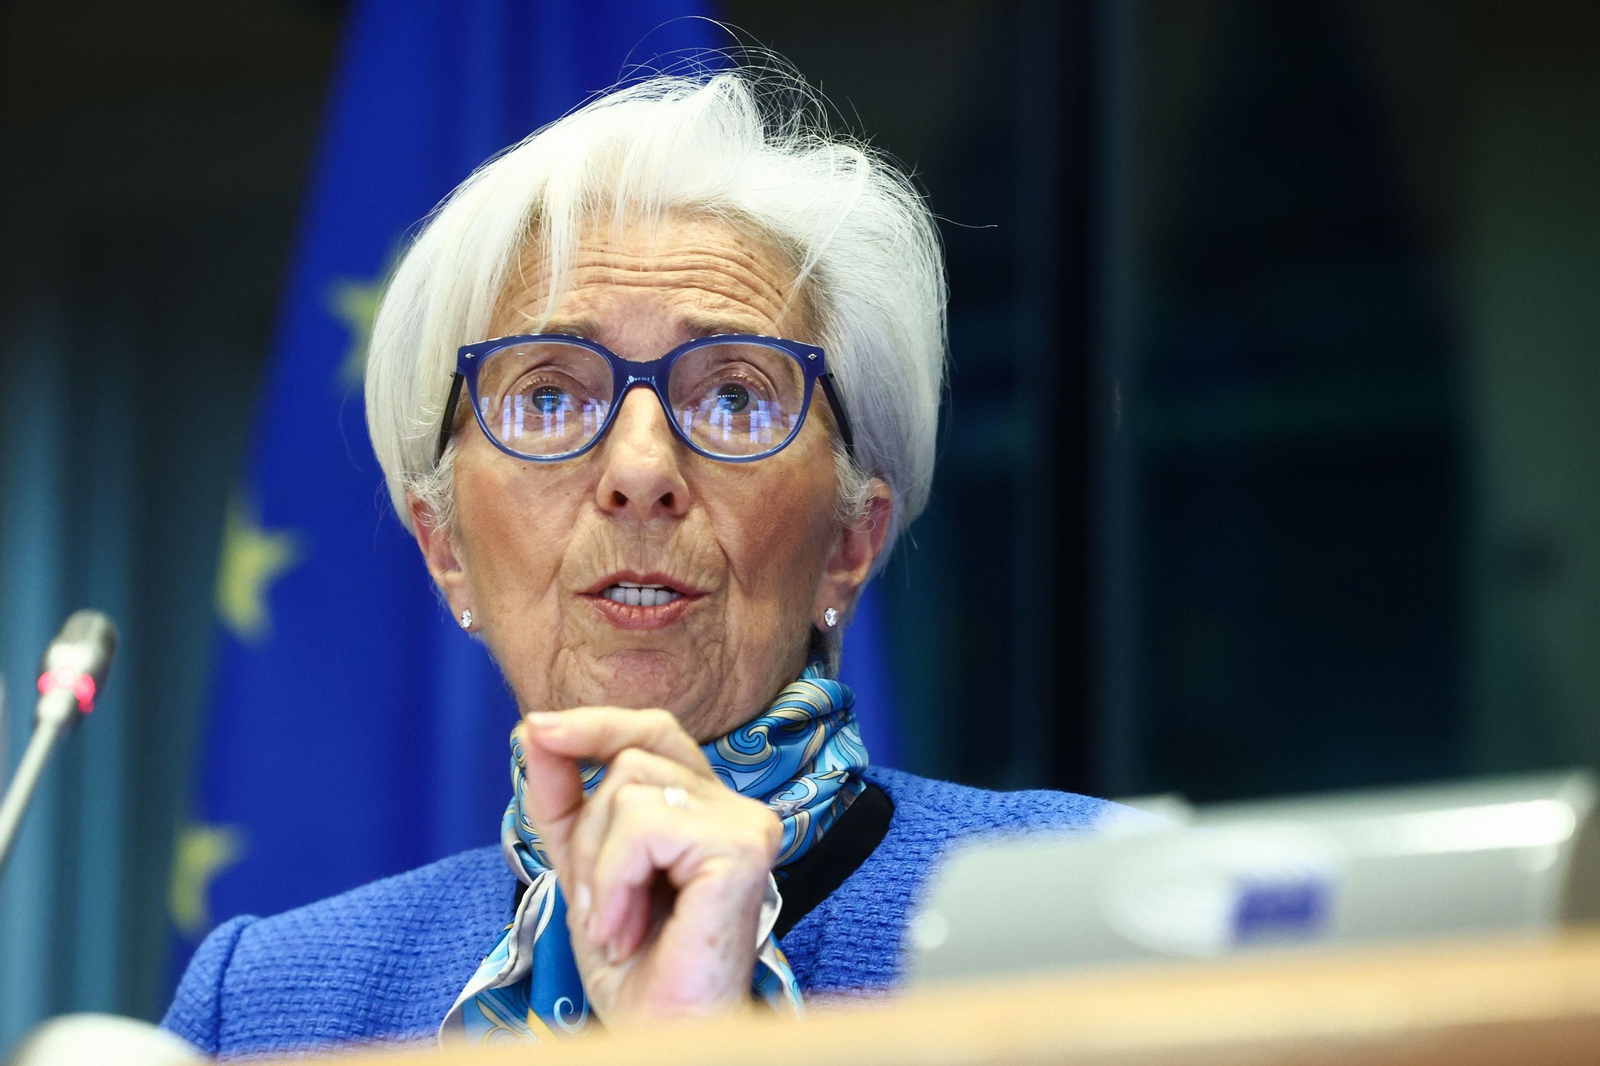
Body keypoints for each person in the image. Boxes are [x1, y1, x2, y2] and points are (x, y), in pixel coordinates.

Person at [162, 69, 1123, 1057]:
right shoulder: (263, 1008)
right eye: (547, 398)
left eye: (736, 398)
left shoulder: (1091, 906)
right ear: (446, 549)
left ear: (848, 543)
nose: (639, 470)